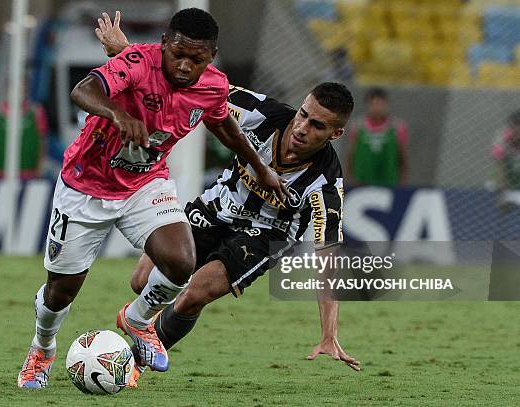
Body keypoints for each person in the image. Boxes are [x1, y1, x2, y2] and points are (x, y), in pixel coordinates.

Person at [17, 8, 287, 389]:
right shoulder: (136, 62)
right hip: (86, 187)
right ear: (164, 45)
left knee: (180, 262)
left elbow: (223, 123)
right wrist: (116, 114)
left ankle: (138, 320)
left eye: (197, 59)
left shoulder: (212, 85)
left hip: (146, 184)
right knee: (61, 291)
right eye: (178, 54)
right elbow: (83, 91)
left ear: (210, 57)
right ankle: (42, 349)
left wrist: (260, 168)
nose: (184, 66)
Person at [95, 13, 360, 388]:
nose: (302, 127)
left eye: (317, 126)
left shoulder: (326, 185)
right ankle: (145, 327)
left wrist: (329, 333)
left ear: (336, 134)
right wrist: (125, 50)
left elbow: (328, 257)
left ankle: (134, 364)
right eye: (304, 115)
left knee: (194, 293)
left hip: (267, 234)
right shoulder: (260, 113)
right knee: (142, 280)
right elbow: (198, 83)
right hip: (218, 206)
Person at [345, 87, 408, 187]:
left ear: (386, 105)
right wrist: (348, 177)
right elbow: (351, 153)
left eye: (380, 104)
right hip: (362, 180)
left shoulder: (397, 126)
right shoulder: (358, 126)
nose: (377, 108)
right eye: (373, 104)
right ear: (368, 106)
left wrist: (403, 179)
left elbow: (402, 155)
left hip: (389, 180)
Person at [0, 79, 48, 179]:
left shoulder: (36, 111)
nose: (18, 91)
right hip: (2, 173)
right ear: (7, 89)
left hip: (29, 173)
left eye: (21, 88)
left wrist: (39, 169)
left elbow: (42, 143)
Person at [491, 110, 520, 212]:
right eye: (512, 127)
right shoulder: (502, 137)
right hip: (509, 168)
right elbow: (499, 165)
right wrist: (501, 197)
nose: (514, 130)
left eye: (516, 127)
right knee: (500, 169)